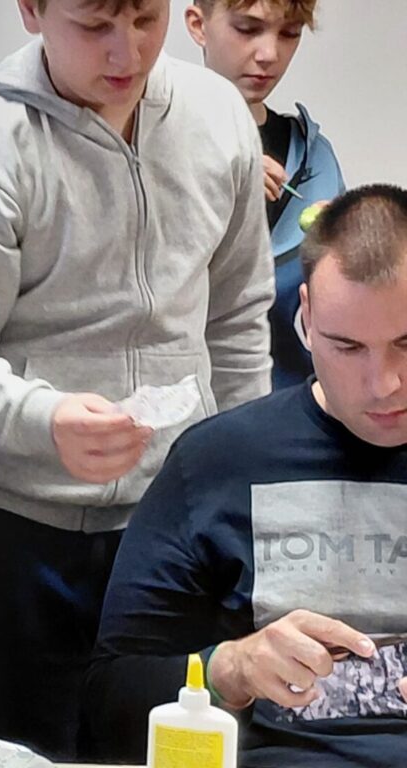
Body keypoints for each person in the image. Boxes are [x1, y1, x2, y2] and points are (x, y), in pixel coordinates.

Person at [0, 0, 274, 758]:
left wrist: (237, 488)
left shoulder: (217, 116)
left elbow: (237, 320)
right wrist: (45, 421)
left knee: (159, 747)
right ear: (31, 10)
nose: (126, 53)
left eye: (146, 19)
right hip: (1, 521)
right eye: (95, 26)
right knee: (12, 753)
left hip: (167, 523)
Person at [88, 184, 407, 766]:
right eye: (347, 347)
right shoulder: (218, 461)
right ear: (305, 316)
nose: (383, 384)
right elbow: (110, 704)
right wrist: (231, 669)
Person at [185, 0, 345, 388]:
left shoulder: (314, 156)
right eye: (247, 29)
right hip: (189, 401)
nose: (269, 54)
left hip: (295, 400)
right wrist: (217, 179)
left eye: (290, 33)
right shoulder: (154, 146)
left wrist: (346, 242)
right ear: (198, 26)